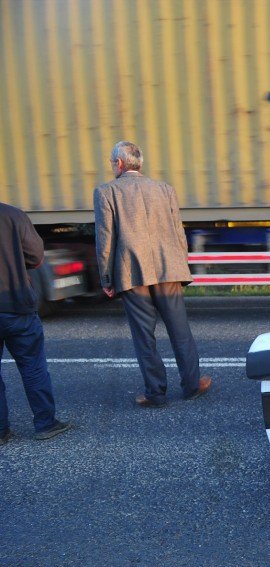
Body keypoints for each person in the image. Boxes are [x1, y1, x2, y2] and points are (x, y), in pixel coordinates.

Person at [94, 141, 210, 408]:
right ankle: (192, 386)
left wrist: (106, 279)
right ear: (139, 163)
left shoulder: (106, 192)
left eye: (113, 163)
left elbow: (105, 239)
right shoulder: (164, 189)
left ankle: (156, 393)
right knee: (180, 330)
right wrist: (182, 265)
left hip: (131, 271)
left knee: (144, 336)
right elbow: (178, 232)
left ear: (120, 164)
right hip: (169, 269)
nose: (113, 167)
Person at [0, 202, 72, 442]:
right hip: (16, 303)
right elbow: (36, 256)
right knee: (33, 366)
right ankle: (45, 424)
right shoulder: (13, 215)